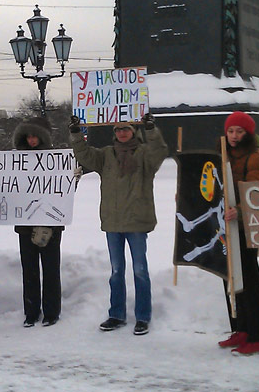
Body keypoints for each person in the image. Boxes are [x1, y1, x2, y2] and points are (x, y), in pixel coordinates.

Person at [69, 113, 168, 336]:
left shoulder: (144, 155)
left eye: (127, 129)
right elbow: (84, 155)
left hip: (136, 221)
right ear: (114, 133)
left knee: (140, 270)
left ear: (134, 131)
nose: (122, 132)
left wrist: (151, 129)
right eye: (118, 129)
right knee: (116, 271)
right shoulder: (105, 155)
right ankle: (117, 314)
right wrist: (76, 134)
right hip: (113, 223)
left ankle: (143, 317)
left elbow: (159, 151)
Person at [219, 111, 259, 355]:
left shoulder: (254, 159)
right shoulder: (221, 155)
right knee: (230, 277)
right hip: (225, 228)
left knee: (248, 279)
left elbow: (257, 195)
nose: (234, 136)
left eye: (239, 131)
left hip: (246, 228)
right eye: (231, 131)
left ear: (248, 134)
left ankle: (257, 335)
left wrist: (239, 211)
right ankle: (240, 328)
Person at [13, 116, 63, 327]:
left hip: (50, 223)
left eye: (35, 136)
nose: (32, 140)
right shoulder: (16, 161)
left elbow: (63, 193)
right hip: (25, 224)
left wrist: (72, 178)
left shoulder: (56, 159)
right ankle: (31, 311)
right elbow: (9, 188)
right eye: (29, 136)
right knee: (29, 269)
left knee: (51, 269)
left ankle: (51, 311)